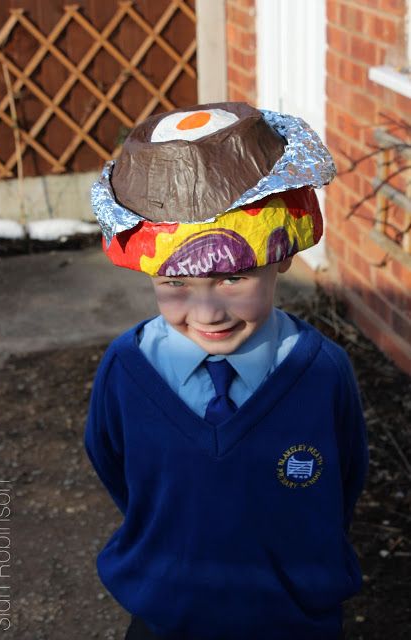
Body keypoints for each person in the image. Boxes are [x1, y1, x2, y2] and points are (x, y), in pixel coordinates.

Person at [84, 102, 368, 640]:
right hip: (164, 620)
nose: (208, 312)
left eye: (234, 277)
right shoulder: (126, 370)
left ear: (281, 256)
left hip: (293, 622)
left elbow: (344, 480)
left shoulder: (323, 373)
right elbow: (120, 469)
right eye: (175, 283)